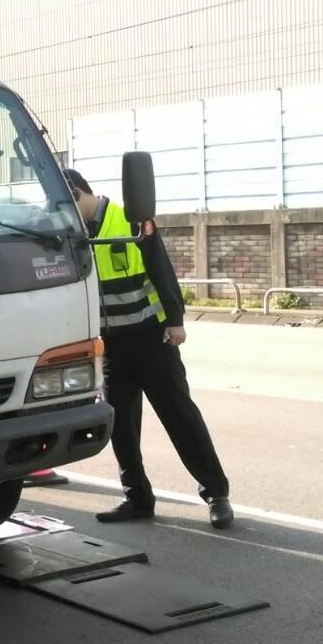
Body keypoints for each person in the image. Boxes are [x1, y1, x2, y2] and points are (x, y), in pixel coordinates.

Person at [64, 169, 234, 529]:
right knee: (121, 427)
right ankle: (137, 498)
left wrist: (175, 319)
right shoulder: (72, 230)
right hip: (111, 346)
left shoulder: (130, 218)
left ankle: (216, 494)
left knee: (180, 417)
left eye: (66, 204)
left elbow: (160, 266)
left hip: (151, 339)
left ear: (78, 192)